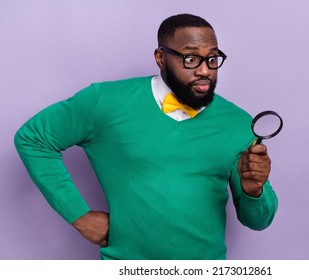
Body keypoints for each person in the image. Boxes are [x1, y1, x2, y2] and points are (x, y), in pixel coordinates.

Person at [14, 13, 278, 260]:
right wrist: (79, 215)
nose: (205, 70)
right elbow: (33, 138)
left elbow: (258, 221)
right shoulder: (104, 101)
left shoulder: (239, 124)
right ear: (161, 58)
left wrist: (254, 190)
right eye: (190, 59)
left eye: (212, 59)